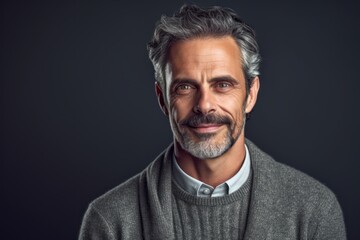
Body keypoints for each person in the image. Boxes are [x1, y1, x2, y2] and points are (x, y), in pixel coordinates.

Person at [79, 4, 346, 240]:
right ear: (162, 98)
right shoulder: (110, 222)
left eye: (222, 84)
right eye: (185, 87)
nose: (204, 104)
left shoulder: (314, 211)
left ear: (251, 94)